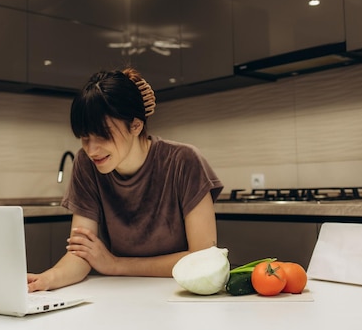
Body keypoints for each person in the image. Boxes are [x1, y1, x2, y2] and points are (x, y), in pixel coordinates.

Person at [27, 68, 223, 292]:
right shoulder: (86, 163)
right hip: (119, 291)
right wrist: (46, 280)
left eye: (102, 135)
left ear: (136, 125)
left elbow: (203, 259)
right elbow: (82, 253)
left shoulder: (184, 160)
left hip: (179, 291)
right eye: (84, 137)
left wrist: (116, 264)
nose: (92, 150)